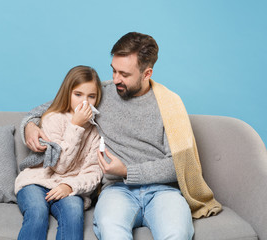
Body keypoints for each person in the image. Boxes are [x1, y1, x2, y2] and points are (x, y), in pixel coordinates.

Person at [21, 32, 222, 240]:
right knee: (110, 229)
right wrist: (29, 125)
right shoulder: (101, 94)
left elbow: (179, 165)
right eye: (114, 71)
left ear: (147, 74)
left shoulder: (169, 105)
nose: (116, 79)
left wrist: (127, 170)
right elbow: (55, 106)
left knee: (177, 233)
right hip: (117, 190)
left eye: (124, 74)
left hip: (163, 193)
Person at [15, 65, 103, 240]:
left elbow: (94, 172)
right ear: (68, 93)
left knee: (73, 213)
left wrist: (70, 186)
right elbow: (59, 166)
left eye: (91, 96)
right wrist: (75, 127)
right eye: (78, 94)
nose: (84, 102)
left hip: (69, 187)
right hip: (37, 181)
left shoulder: (96, 131)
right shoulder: (53, 118)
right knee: (37, 212)